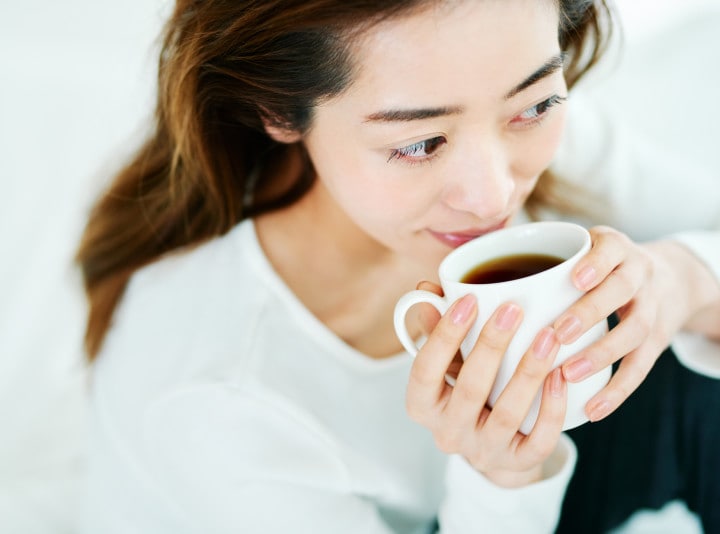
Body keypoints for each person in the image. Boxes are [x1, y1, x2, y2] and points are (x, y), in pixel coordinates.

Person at [75, 1, 720, 532]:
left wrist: (683, 280)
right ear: (277, 109)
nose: (494, 194)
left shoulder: (495, 109)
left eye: (534, 107)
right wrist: (503, 480)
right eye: (418, 144)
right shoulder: (210, 397)